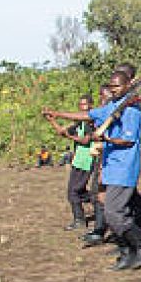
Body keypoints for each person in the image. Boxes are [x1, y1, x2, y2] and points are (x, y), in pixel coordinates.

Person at [45, 69, 141, 271]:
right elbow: (87, 115)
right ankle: (126, 251)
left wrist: (105, 138)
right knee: (105, 206)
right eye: (111, 86)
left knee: (114, 212)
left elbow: (128, 141)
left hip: (124, 167)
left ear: (128, 85)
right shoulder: (112, 107)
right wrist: (57, 114)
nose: (114, 89)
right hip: (110, 166)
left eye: (117, 86)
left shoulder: (132, 112)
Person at [45, 94, 96, 230]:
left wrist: (70, 136)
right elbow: (62, 132)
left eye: (84, 104)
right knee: (79, 190)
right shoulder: (79, 123)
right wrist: (52, 121)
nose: (81, 107)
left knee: (72, 191)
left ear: (91, 106)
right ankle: (100, 203)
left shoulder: (92, 122)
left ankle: (79, 219)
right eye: (80, 105)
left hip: (87, 159)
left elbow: (86, 140)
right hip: (79, 160)